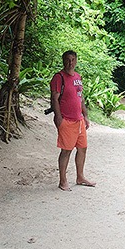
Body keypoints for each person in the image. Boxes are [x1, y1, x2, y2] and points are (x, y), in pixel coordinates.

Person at [50, 50, 94, 190]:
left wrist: (85, 116)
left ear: (76, 61)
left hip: (79, 120)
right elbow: (54, 99)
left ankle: (80, 177)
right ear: (63, 61)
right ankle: (63, 181)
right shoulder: (59, 77)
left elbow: (80, 98)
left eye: (73, 59)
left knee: (82, 148)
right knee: (66, 150)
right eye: (68, 60)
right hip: (66, 120)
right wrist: (58, 117)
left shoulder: (78, 77)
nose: (70, 62)